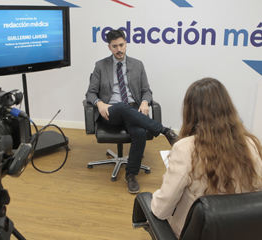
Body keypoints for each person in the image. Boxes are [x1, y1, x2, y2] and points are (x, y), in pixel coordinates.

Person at [151, 77, 262, 237]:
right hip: (241, 232)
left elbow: (160, 210)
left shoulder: (185, 149)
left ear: (190, 112)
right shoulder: (251, 144)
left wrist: (158, 191)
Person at [86, 29, 177, 194]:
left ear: (126, 44)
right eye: (115, 46)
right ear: (109, 48)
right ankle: (164, 131)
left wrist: (144, 101)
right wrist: (99, 103)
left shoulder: (137, 65)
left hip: (132, 109)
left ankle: (131, 175)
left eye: (121, 45)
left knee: (140, 132)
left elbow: (146, 90)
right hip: (110, 111)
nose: (119, 49)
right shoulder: (100, 65)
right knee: (120, 106)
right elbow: (90, 92)